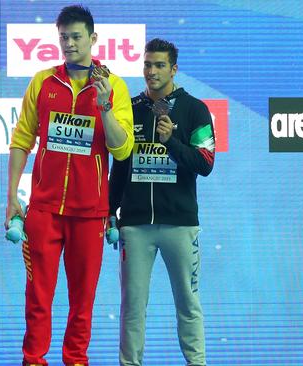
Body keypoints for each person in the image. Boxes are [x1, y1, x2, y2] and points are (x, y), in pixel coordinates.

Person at [6, 5, 134, 365]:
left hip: (90, 213)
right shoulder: (43, 81)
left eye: (77, 36)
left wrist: (105, 105)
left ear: (93, 39)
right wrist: (11, 197)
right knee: (38, 297)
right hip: (44, 211)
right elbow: (21, 140)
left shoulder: (115, 86)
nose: (69, 43)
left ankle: (75, 360)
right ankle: (33, 360)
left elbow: (122, 149)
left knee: (82, 302)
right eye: (64, 37)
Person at [108, 38, 215, 366]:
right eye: (147, 65)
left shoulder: (195, 109)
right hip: (136, 226)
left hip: (180, 225)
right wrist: (110, 210)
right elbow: (121, 164)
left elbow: (206, 163)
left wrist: (172, 142)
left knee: (188, 303)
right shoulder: (131, 107)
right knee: (132, 306)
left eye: (158, 65)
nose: (151, 71)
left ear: (174, 69)